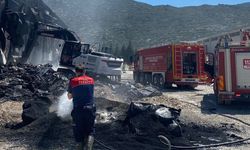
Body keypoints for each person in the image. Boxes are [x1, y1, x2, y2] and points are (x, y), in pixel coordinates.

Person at [67, 64, 96, 150]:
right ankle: (89, 147)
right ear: (84, 71)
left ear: (76, 72)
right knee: (90, 130)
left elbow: (69, 97)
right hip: (90, 108)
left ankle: (80, 147)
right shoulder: (91, 80)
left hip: (79, 109)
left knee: (78, 130)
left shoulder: (73, 81)